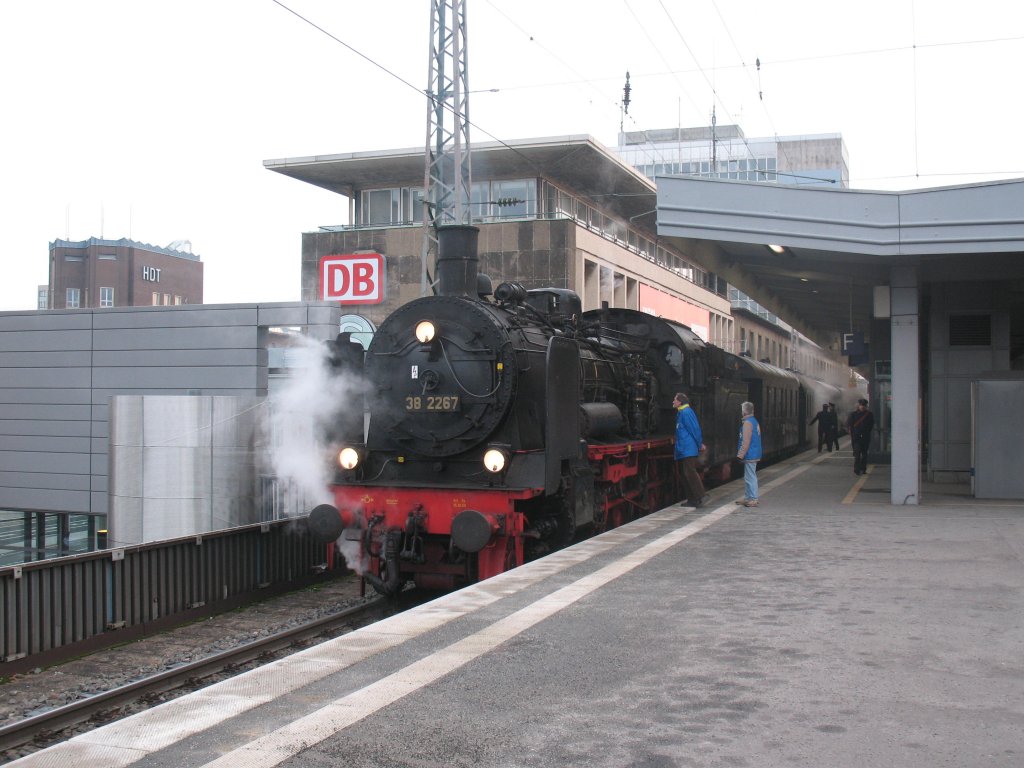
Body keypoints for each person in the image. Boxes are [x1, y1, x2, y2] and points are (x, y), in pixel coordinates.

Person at [673, 392, 707, 508]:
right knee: (685, 473)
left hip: (689, 448)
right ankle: (692, 499)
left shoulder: (686, 412)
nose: (673, 402)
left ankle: (700, 495)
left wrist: (699, 444)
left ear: (680, 402)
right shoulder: (681, 413)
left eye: (675, 400)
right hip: (684, 448)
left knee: (689, 472)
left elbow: (695, 429)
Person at [735, 401, 762, 507]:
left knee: (750, 476)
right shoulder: (753, 421)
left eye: (742, 410)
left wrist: (740, 455)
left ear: (744, 411)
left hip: (750, 453)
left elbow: (746, 441)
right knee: (748, 476)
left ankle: (753, 498)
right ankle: (747, 498)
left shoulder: (747, 423)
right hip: (753, 452)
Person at [847, 398, 875, 475]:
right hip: (856, 438)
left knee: (864, 454)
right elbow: (849, 425)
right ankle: (857, 469)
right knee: (857, 454)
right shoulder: (853, 414)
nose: (862, 407)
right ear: (858, 405)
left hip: (865, 437)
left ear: (866, 406)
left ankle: (863, 468)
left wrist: (865, 431)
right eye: (861, 405)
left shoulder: (869, 414)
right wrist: (853, 433)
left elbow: (871, 425)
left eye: (864, 405)